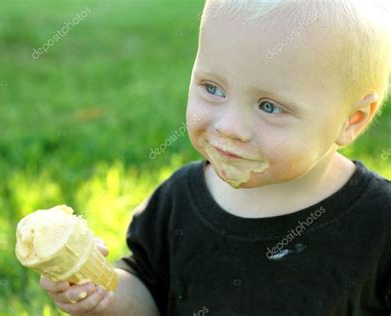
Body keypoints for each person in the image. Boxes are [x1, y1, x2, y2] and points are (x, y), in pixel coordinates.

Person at [40, 0, 391, 315]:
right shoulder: (176, 202)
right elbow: (148, 300)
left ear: (352, 119)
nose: (230, 126)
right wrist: (102, 293)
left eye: (269, 106)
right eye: (213, 88)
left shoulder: (379, 223)